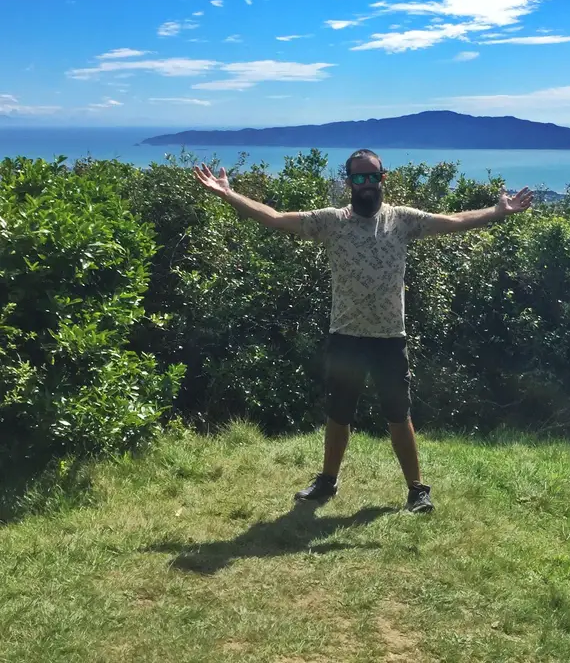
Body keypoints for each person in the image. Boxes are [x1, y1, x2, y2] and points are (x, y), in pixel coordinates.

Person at [193, 149, 533, 513]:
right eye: (358, 178)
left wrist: (498, 212)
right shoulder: (332, 221)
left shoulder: (402, 220)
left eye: (372, 176)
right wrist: (228, 195)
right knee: (338, 414)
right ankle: (327, 482)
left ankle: (417, 490)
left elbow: (453, 220)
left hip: (389, 338)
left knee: (398, 416)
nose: (366, 183)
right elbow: (275, 218)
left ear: (382, 178)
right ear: (348, 181)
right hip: (346, 336)